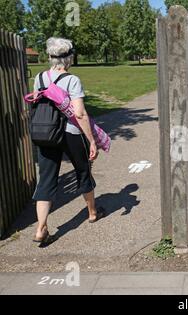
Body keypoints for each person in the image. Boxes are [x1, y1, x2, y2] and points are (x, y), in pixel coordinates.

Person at [32, 37, 104, 245]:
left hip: (46, 134)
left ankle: (40, 228)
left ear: (50, 57)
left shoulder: (39, 77)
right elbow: (79, 114)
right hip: (70, 132)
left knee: (45, 179)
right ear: (69, 58)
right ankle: (92, 213)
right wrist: (92, 140)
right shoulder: (72, 80)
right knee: (83, 171)